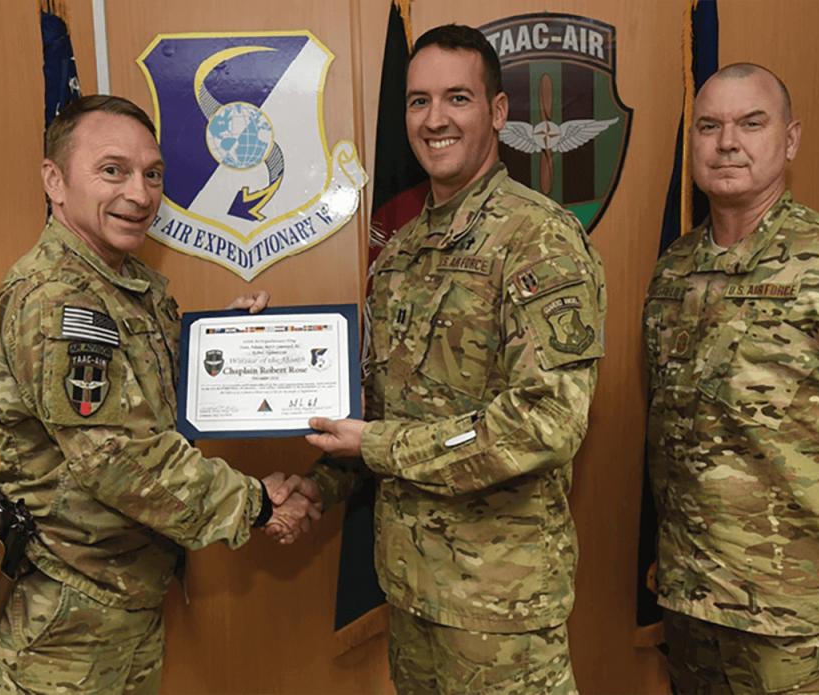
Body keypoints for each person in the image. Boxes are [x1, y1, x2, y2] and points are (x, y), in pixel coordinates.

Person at [298, 23, 606, 695]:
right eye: (417, 101)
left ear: (497, 112)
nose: (433, 119)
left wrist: (377, 443)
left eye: (457, 98)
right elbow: (378, 404)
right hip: (412, 590)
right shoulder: (403, 251)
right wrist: (318, 486)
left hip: (499, 605)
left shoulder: (538, 239)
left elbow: (543, 422)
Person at [0, 95, 315, 694]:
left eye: (152, 174)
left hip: (113, 597)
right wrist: (256, 504)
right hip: (63, 615)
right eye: (113, 170)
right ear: (54, 180)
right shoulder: (59, 300)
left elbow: (152, 398)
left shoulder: (126, 286)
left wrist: (229, 349)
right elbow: (119, 459)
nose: (139, 193)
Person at [643, 63, 819, 693]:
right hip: (695, 610)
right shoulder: (673, 273)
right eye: (709, 126)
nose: (727, 143)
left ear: (790, 139)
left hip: (813, 623)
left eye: (752, 123)